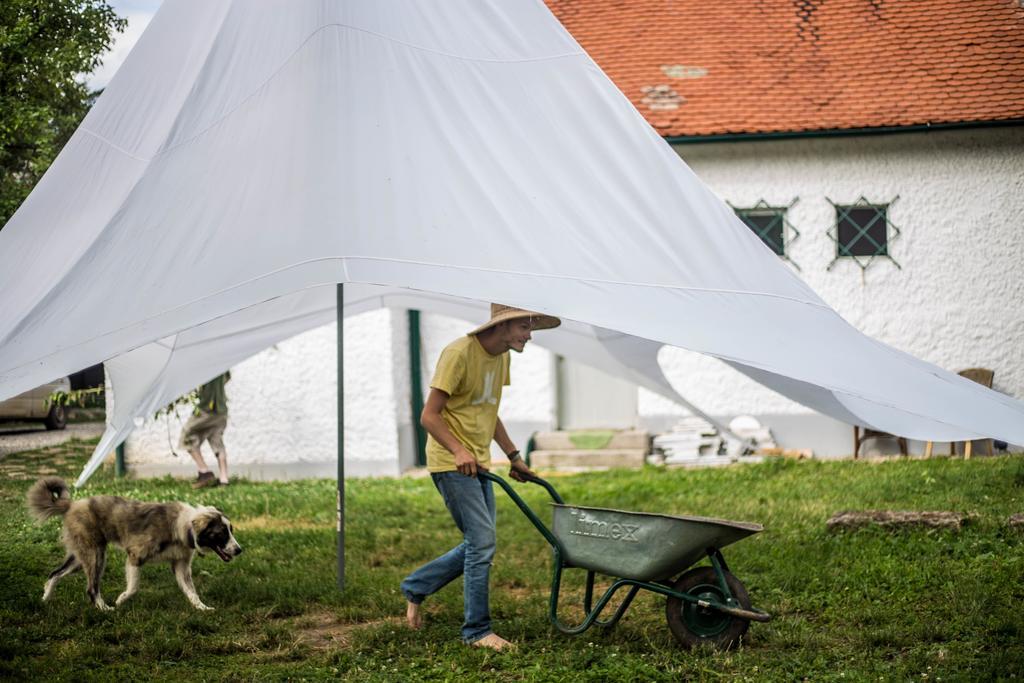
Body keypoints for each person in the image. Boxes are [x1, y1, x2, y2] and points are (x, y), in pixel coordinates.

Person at [400, 303, 560, 652]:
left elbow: (488, 410)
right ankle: (476, 631)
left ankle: (416, 586)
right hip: (451, 462)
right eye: (524, 327)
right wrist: (459, 450)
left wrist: (514, 456)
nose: (529, 336)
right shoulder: (458, 354)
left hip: (479, 461)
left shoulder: (502, 355)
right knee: (482, 543)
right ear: (502, 326)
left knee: (479, 543)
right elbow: (428, 416)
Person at [181, 371, 232, 489]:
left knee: (186, 436)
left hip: (208, 409)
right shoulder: (223, 364)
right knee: (216, 440)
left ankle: (204, 472)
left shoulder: (209, 365)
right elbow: (227, 377)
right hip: (221, 410)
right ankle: (224, 479)